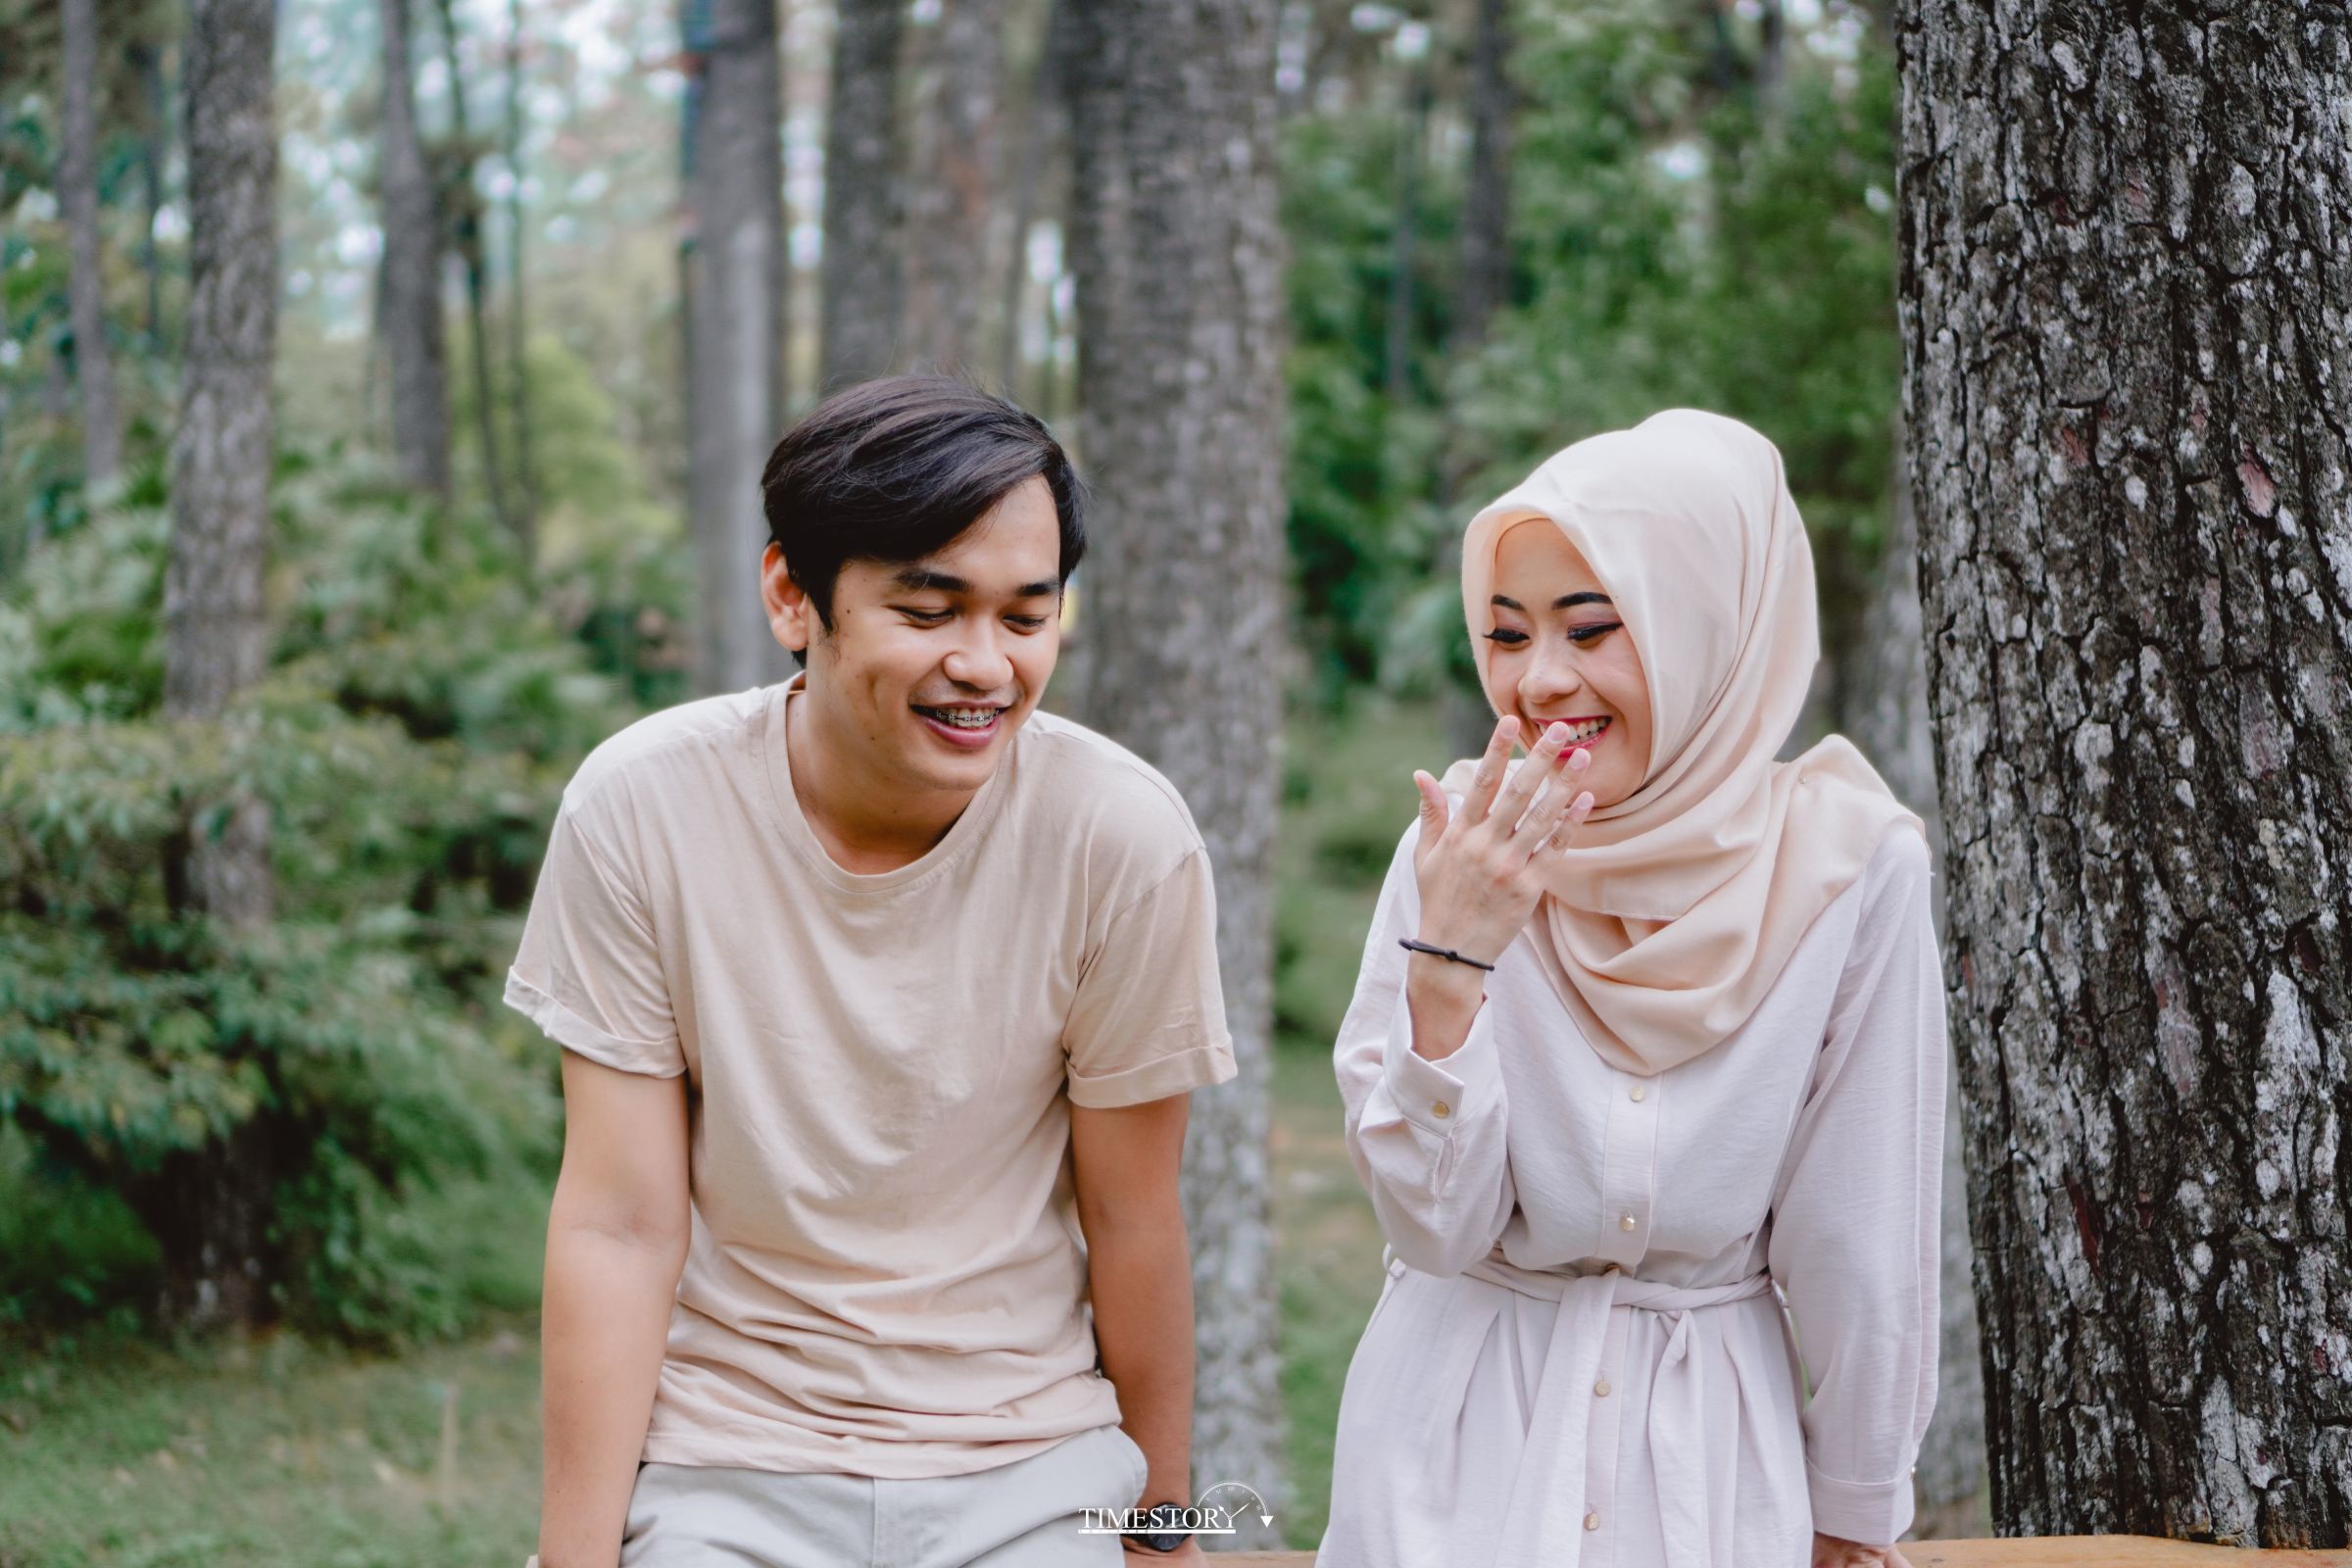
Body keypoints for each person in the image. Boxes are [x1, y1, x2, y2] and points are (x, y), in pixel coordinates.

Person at [507, 376, 1235, 1568]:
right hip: (728, 1468)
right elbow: (620, 1226)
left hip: (1033, 1470)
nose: (984, 665)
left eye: (1026, 617)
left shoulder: (1123, 838)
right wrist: (573, 1559)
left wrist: (1163, 1534)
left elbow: (1134, 1216)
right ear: (792, 595)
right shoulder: (641, 808)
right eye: (929, 609)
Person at [1317, 410, 1943, 1568]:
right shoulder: (1458, 845)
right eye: (1507, 634)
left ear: (1706, 625)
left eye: (1593, 627)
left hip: (1710, 1472)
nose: (1540, 681)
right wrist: (1452, 961)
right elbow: (1432, 1226)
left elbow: (1862, 1235)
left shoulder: (1852, 869)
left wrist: (1856, 1505)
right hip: (1449, 1458)